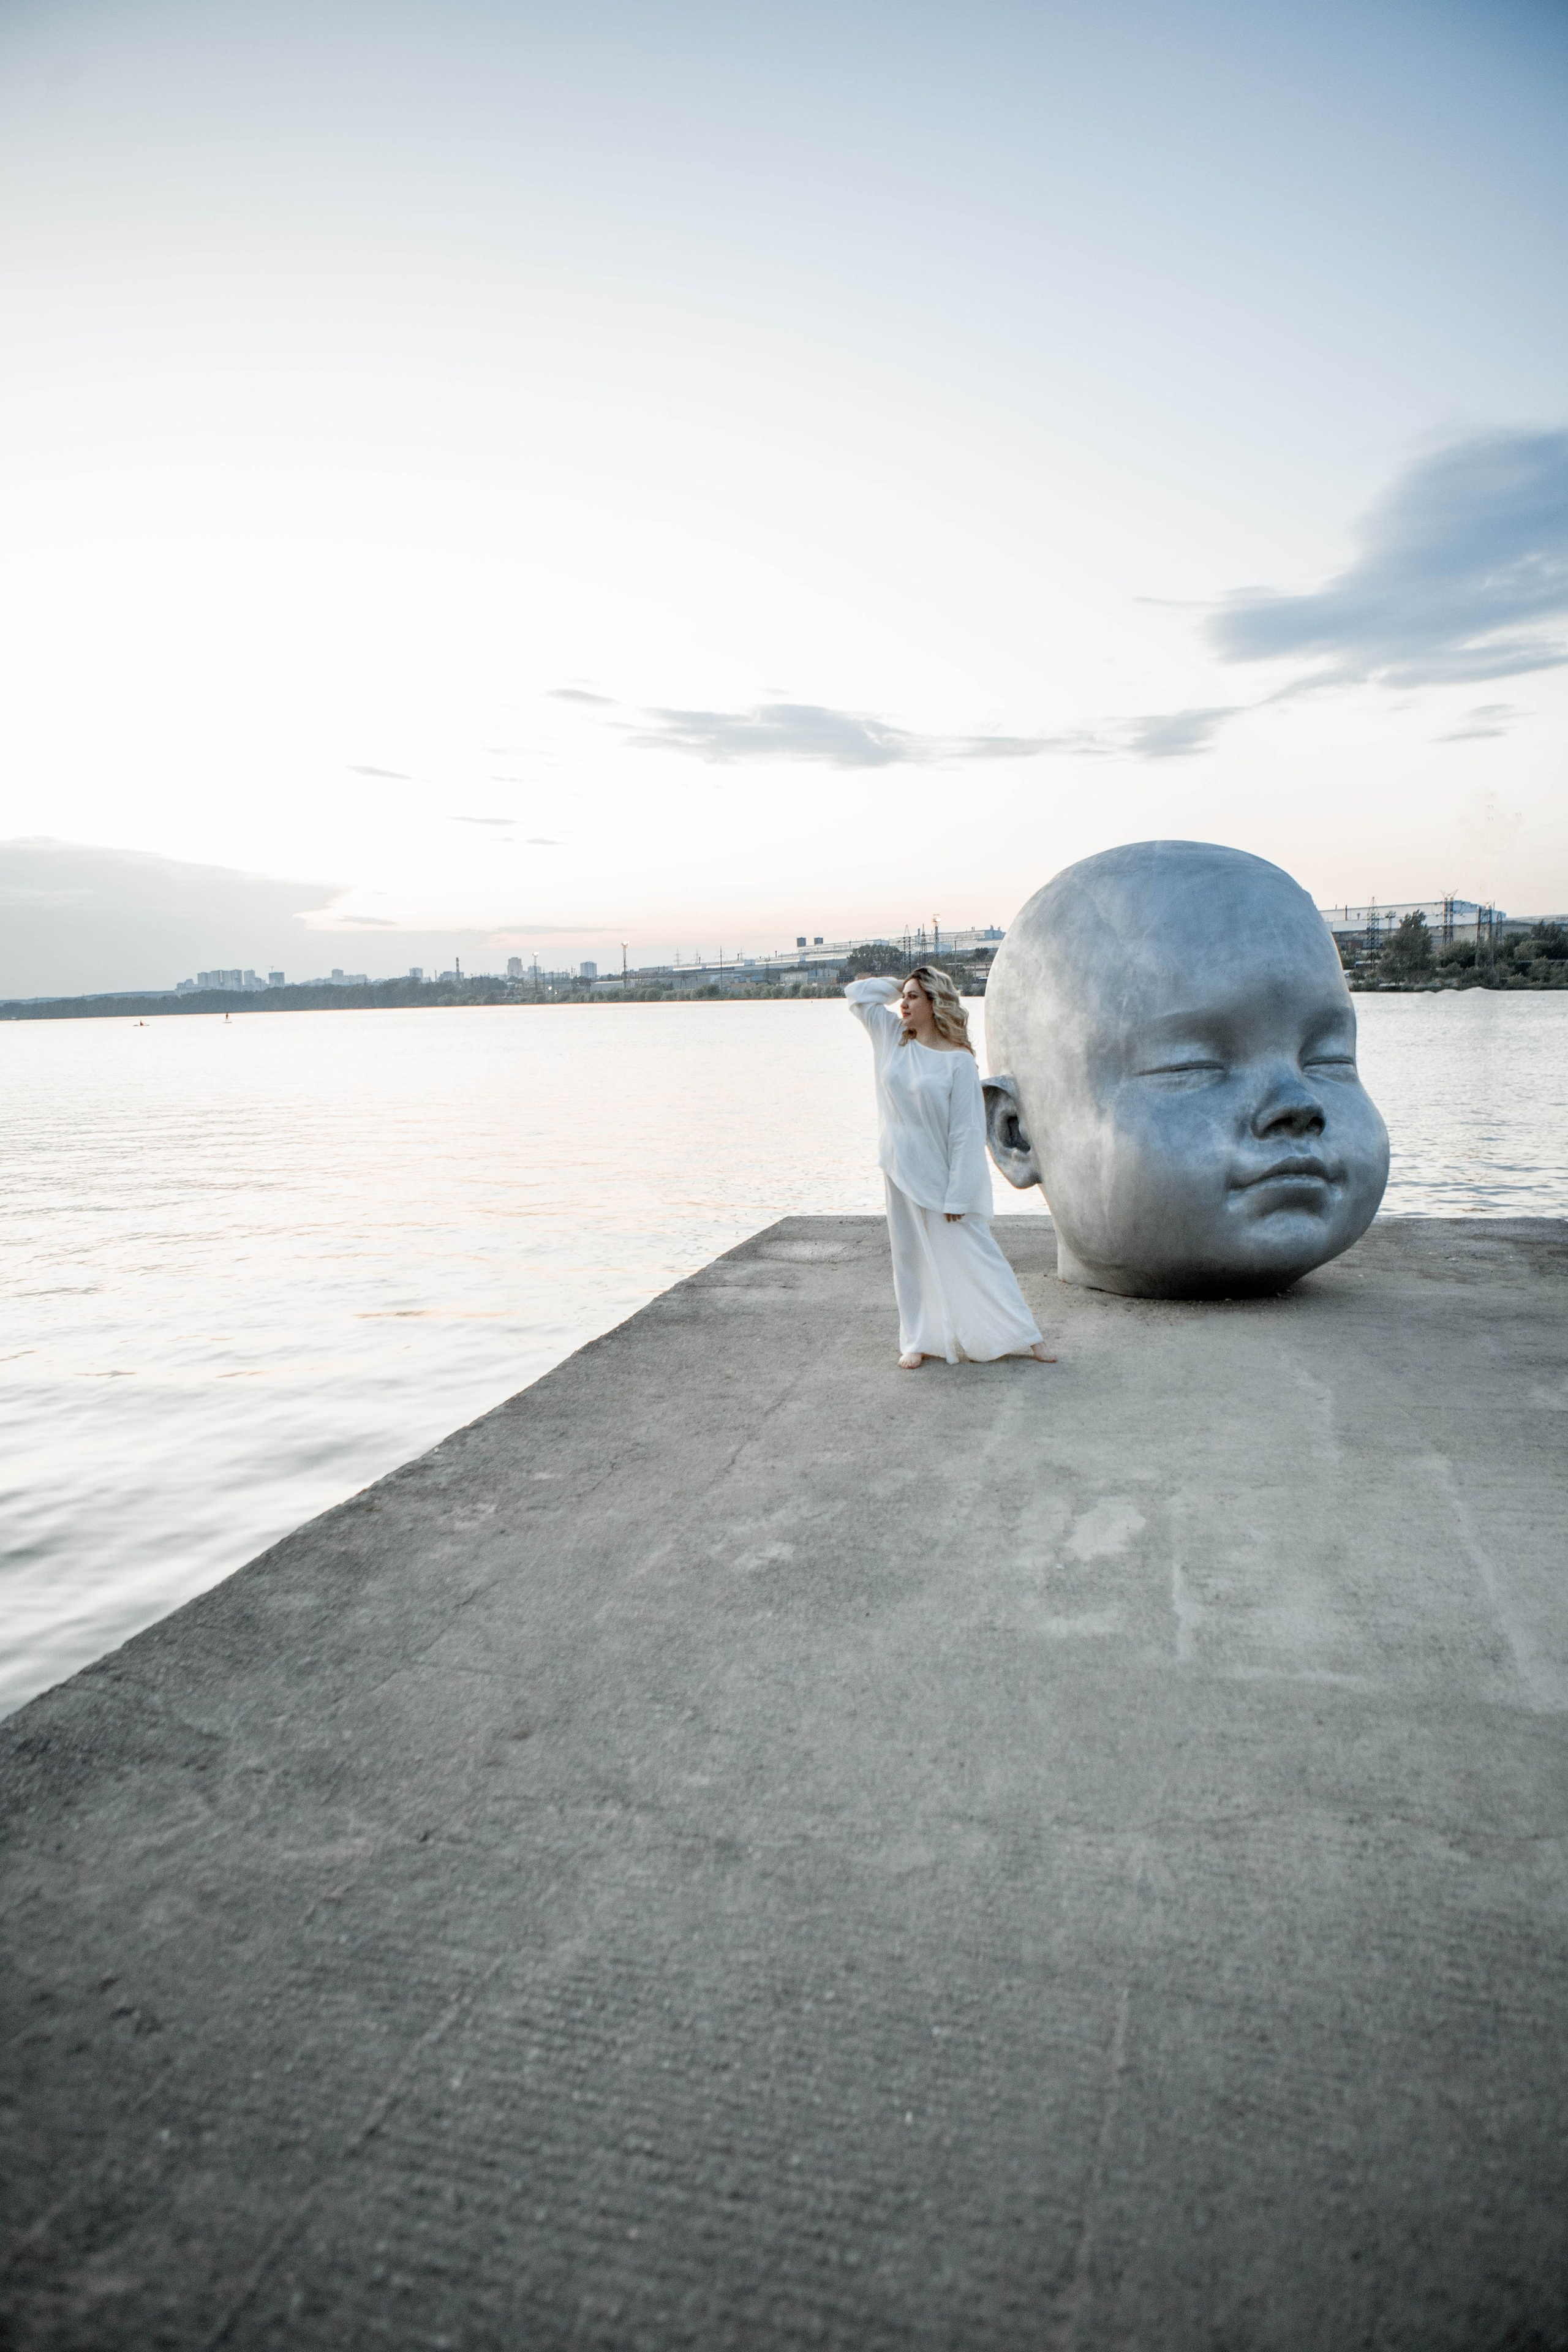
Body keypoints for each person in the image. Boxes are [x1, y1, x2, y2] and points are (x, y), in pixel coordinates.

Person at [846, 966, 1056, 1370]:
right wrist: (901, 982)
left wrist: (960, 1191)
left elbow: (967, 1133)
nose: (904, 1004)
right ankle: (917, 1340)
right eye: (903, 997)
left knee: (977, 1253)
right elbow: (858, 996)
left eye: (913, 997)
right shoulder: (891, 1038)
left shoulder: (959, 1063)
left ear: (934, 1003)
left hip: (940, 1176)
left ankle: (1029, 1337)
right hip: (898, 1166)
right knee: (908, 1258)